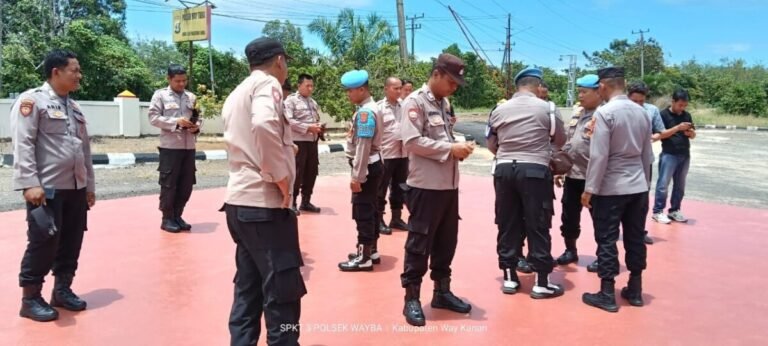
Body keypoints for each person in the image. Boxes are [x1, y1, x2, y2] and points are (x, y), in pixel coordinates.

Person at [221, 37, 306, 345]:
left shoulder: (237, 91)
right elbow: (264, 124)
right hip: (264, 204)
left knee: (248, 289)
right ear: (279, 61)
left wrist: (283, 150)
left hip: (240, 203)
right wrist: (280, 177)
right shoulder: (266, 85)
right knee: (282, 292)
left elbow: (254, 135)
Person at [11, 49, 95, 322]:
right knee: (43, 240)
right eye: (75, 70)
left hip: (75, 189)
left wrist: (89, 186)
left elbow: (84, 150)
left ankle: (62, 290)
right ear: (56, 72)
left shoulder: (75, 107)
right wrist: (29, 183)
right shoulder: (32, 101)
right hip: (45, 189)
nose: (79, 76)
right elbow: (23, 143)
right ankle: (31, 298)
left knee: (72, 240)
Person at [400, 53, 475, 327]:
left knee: (446, 242)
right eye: (451, 82)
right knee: (419, 244)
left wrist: (458, 148)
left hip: (448, 187)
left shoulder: (444, 103)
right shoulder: (415, 101)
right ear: (437, 74)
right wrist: (449, 149)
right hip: (425, 188)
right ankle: (411, 298)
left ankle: (442, 292)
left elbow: (443, 138)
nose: (454, 87)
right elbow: (411, 141)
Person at [487, 66, 566, 298]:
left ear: (517, 86)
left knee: (507, 222)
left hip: (503, 170)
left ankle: (510, 279)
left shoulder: (499, 109)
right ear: (537, 85)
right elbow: (560, 140)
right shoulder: (549, 109)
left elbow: (491, 143)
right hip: (535, 170)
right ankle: (541, 282)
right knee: (538, 223)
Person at [581, 67, 653, 312]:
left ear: (603, 86)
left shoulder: (605, 113)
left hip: (611, 188)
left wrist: (589, 189)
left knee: (607, 239)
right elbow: (647, 155)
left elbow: (599, 155)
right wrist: (644, 185)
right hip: (638, 186)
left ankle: (607, 292)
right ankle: (635, 289)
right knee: (635, 237)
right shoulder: (642, 112)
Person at [338, 70, 385, 271]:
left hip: (366, 167)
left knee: (363, 212)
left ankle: (363, 258)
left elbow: (363, 147)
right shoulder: (371, 108)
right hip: (373, 165)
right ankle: (371, 250)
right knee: (371, 209)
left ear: (362, 89)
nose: (348, 94)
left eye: (350, 91)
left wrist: (357, 176)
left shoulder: (366, 113)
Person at [553, 74, 601, 266]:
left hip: (594, 177)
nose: (579, 96)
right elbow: (569, 142)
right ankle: (570, 250)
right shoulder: (578, 113)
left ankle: (603, 257)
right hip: (573, 175)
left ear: (598, 92)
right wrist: (560, 168)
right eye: (579, 91)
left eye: (584, 92)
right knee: (569, 217)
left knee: (600, 219)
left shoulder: (603, 114)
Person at [148, 64, 200, 233]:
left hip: (189, 146)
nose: (181, 84)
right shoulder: (160, 95)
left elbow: (199, 116)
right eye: (177, 81)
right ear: (169, 79)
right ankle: (167, 218)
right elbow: (153, 118)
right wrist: (175, 122)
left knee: (186, 184)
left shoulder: (191, 97)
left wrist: (196, 127)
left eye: (184, 80)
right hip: (170, 147)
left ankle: (178, 215)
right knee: (169, 183)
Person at [628, 81, 667, 244]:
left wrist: (657, 136)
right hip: (620, 161)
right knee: (616, 197)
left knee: (641, 198)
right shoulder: (617, 110)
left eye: (641, 101)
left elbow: (661, 131)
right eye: (634, 101)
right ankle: (614, 231)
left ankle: (639, 231)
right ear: (627, 97)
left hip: (644, 161)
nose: (638, 105)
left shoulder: (652, 111)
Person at [652, 89, 696, 224]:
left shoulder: (687, 115)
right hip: (669, 154)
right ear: (673, 101)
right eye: (680, 105)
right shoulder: (663, 115)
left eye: (684, 105)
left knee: (680, 185)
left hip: (684, 154)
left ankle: (674, 210)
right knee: (663, 184)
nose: (682, 108)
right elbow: (659, 135)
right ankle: (658, 211)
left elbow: (693, 135)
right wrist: (677, 128)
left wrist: (691, 133)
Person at [284, 73, 324, 214]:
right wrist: (308, 127)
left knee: (311, 171)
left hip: (312, 142)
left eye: (312, 86)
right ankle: (293, 202)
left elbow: (314, 119)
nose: (310, 88)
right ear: (299, 85)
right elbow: (289, 121)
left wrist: (318, 127)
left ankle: (306, 202)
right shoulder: (291, 101)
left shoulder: (313, 102)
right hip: (298, 142)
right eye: (307, 85)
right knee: (297, 172)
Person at [376, 77, 409, 234]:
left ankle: (396, 218)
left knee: (399, 188)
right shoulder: (379, 108)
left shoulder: (406, 106)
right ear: (386, 89)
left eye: (400, 88)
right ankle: (378, 220)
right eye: (395, 88)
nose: (398, 91)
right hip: (386, 155)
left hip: (403, 154)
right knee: (380, 189)